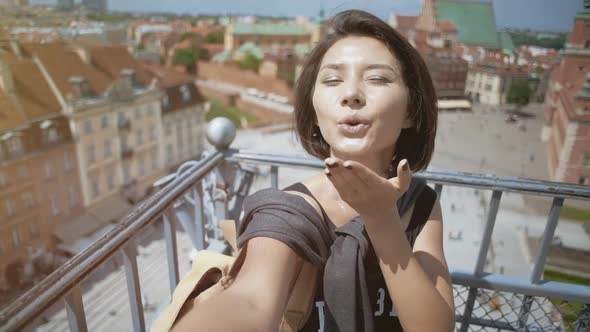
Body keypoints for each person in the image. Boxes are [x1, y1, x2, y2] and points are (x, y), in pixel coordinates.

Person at [172, 9, 455, 332]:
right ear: (315, 113)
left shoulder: (420, 204)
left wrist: (382, 219)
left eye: (377, 78)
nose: (351, 94)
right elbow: (250, 300)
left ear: (410, 111)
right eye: (333, 80)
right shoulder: (288, 213)